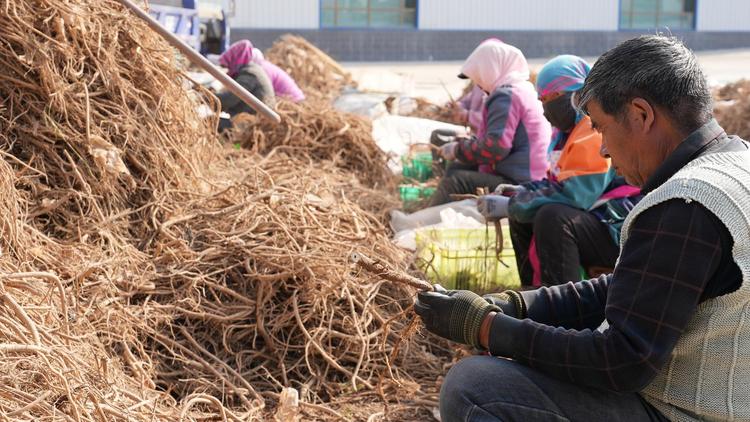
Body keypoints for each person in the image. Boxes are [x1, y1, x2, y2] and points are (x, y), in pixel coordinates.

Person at [414, 35, 750, 422]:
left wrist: (489, 329)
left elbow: (621, 360)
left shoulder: (684, 204)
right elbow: (630, 288)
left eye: (603, 128)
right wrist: (516, 307)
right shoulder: (733, 163)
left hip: (685, 411)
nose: (604, 148)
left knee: (474, 386)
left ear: (641, 115)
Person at [477, 55, 641, 286]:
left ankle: (563, 300)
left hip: (620, 230)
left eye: (554, 97)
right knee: (524, 214)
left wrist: (514, 204)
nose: (547, 106)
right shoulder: (565, 134)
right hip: (597, 219)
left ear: (579, 95)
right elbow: (557, 181)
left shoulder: (593, 129)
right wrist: (521, 191)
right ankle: (533, 291)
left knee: (552, 216)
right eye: (542, 99)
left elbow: (577, 195)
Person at [429, 39, 551, 205]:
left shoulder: (506, 96)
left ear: (490, 70)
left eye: (479, 78)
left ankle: (424, 222)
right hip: (531, 176)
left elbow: (495, 148)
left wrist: (458, 149)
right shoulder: (523, 90)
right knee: (458, 168)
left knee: (457, 180)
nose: (478, 85)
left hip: (521, 183)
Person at [217, 40, 276, 120]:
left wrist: (206, 96)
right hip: (257, 116)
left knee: (213, 121)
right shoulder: (252, 69)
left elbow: (230, 99)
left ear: (234, 60)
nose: (227, 68)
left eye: (227, 64)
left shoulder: (249, 74)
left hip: (254, 121)